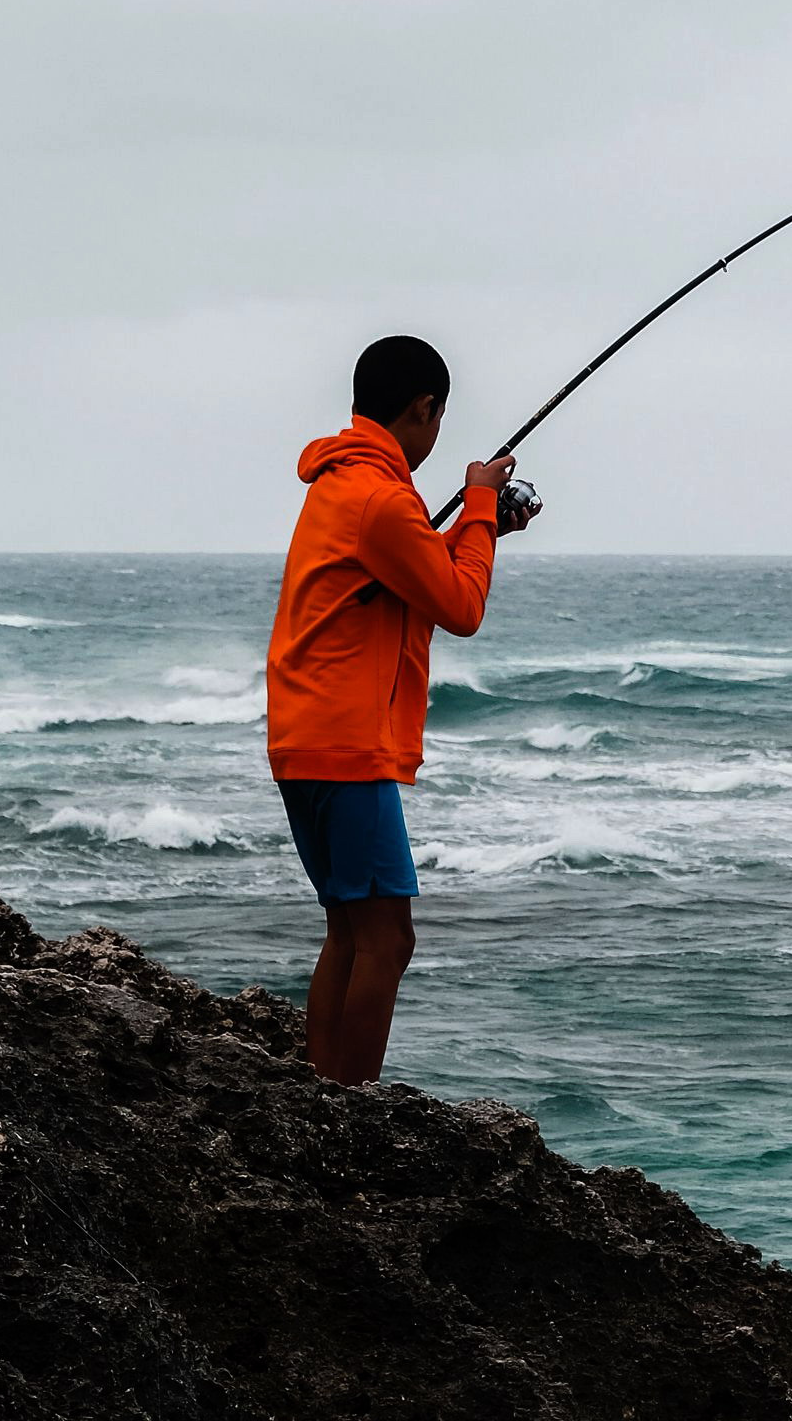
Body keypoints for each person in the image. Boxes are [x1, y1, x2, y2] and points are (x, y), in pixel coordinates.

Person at [266, 335, 540, 1085]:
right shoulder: (380, 496)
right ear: (423, 408)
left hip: (305, 737)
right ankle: (348, 1110)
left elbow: (409, 570)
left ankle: (322, 1095)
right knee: (387, 940)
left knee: (351, 934)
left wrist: (478, 529)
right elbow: (459, 607)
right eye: (438, 418)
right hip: (346, 745)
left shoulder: (339, 483)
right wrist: (480, 501)